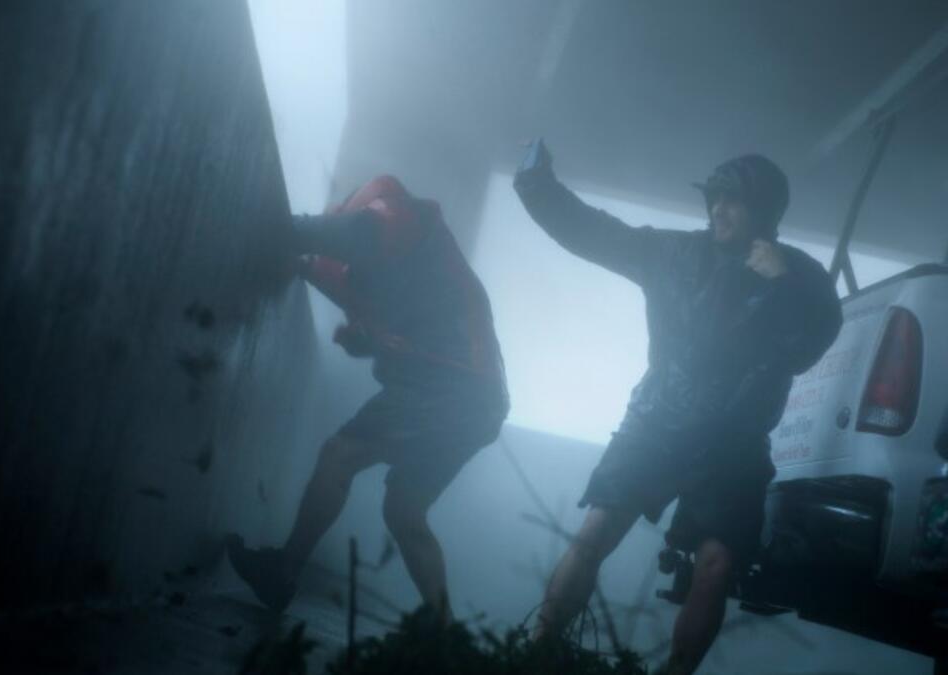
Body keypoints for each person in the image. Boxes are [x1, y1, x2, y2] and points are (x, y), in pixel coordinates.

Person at [514, 141, 841, 674]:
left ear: (765, 211)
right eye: (714, 198)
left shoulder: (801, 278)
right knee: (595, 533)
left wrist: (781, 284)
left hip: (735, 442)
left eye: (732, 200)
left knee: (716, 566)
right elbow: (595, 233)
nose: (718, 209)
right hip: (657, 420)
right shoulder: (676, 253)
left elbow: (806, 349)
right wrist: (537, 185)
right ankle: (535, 654)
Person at [227, 175, 509, 617]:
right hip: (479, 404)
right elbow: (401, 329)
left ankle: (283, 571)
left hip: (449, 386)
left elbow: (349, 234)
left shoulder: (395, 218)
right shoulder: (392, 266)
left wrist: (276, 226)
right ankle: (444, 638)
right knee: (404, 511)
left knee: (340, 456)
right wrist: (361, 339)